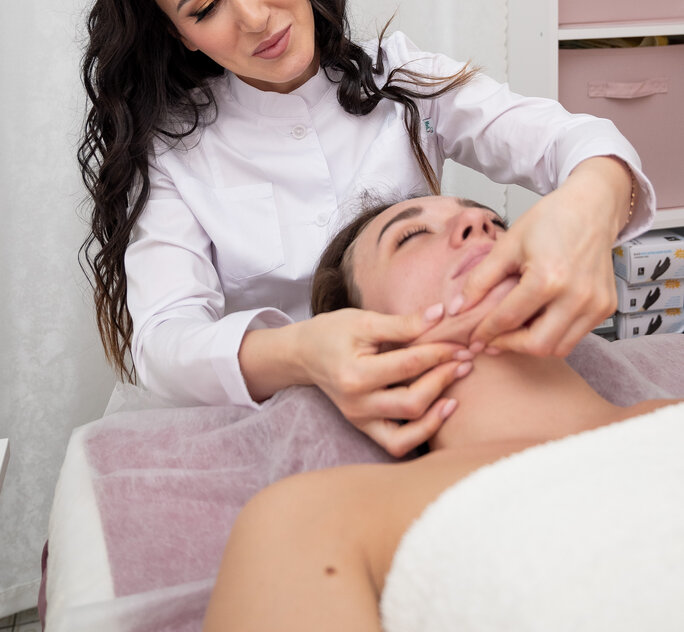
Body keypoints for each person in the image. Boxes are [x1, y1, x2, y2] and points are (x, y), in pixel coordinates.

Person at [78, 0, 654, 456]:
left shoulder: (401, 77)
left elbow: (571, 141)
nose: (254, 17)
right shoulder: (173, 150)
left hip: (451, 393)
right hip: (279, 425)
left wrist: (587, 206)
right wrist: (303, 352)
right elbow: (165, 343)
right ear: (179, 33)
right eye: (205, 8)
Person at [202, 195, 681, 632]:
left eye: (497, 222)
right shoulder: (317, 516)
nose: (479, 221)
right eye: (411, 236)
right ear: (363, 339)